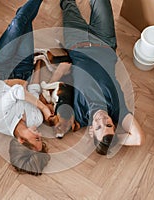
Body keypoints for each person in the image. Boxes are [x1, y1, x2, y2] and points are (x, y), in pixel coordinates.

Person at [58, 0, 145, 155]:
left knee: (67, 4)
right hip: (104, 42)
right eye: (109, 125)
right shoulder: (117, 109)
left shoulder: (78, 115)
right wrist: (115, 138)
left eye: (98, 127)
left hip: (76, 42)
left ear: (91, 130)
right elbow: (138, 139)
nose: (103, 120)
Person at [0, 0, 51, 175]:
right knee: (26, 22)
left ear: (22, 141)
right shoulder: (36, 120)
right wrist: (37, 66)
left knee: (19, 22)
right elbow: (34, 90)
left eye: (36, 138)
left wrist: (43, 107)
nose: (40, 134)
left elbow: (17, 91)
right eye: (41, 140)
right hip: (24, 69)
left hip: (1, 69)